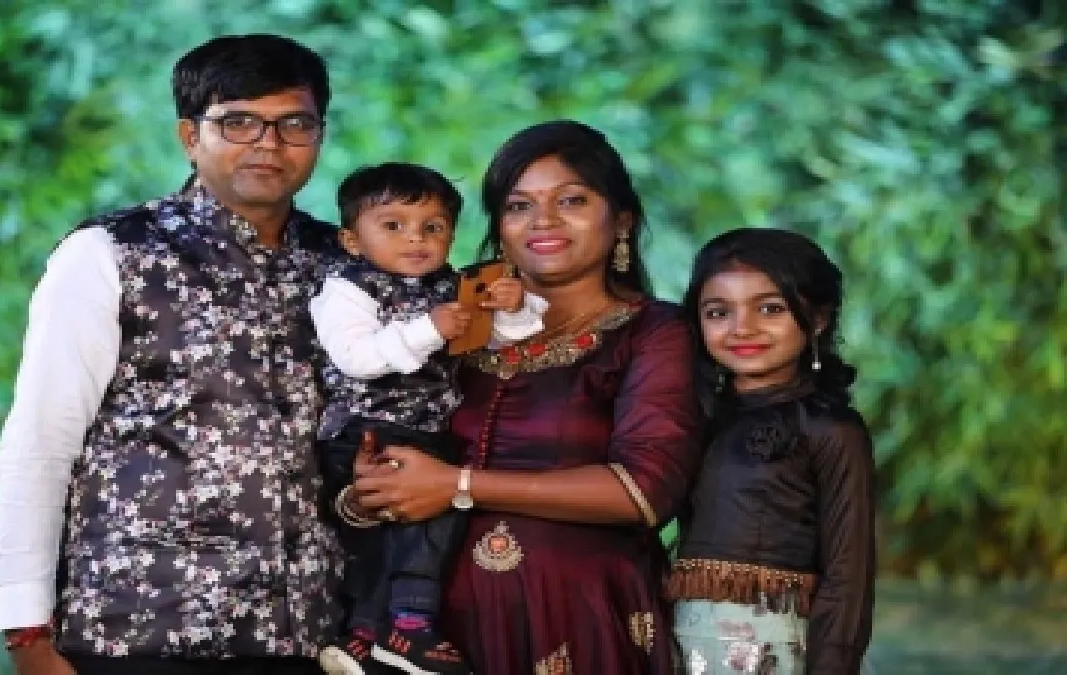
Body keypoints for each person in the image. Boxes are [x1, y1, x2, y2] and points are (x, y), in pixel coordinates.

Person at [0, 34, 343, 675]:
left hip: (308, 629)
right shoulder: (111, 254)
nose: (268, 144)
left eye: (294, 124)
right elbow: (41, 440)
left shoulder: (344, 267)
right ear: (189, 135)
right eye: (238, 122)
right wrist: (25, 629)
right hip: (139, 627)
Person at [346, 120, 704, 674]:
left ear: (622, 221)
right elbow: (374, 436)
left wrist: (456, 485)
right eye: (518, 206)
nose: (543, 221)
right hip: (428, 634)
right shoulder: (447, 321)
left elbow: (646, 491)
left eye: (572, 200)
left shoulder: (653, 331)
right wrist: (369, 494)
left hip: (579, 618)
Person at [311, 162, 546, 675]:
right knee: (404, 524)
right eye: (393, 225)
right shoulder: (347, 288)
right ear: (352, 240)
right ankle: (405, 626)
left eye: (433, 227)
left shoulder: (451, 287)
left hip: (426, 432)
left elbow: (491, 341)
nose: (416, 238)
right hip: (363, 429)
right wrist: (429, 329)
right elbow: (357, 358)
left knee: (415, 523)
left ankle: (366, 636)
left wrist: (513, 309)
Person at [667, 228, 875, 674]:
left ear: (818, 319)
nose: (742, 328)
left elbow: (848, 572)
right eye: (719, 312)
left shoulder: (830, 429)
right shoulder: (695, 419)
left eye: (770, 308)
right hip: (680, 641)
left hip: (770, 649)